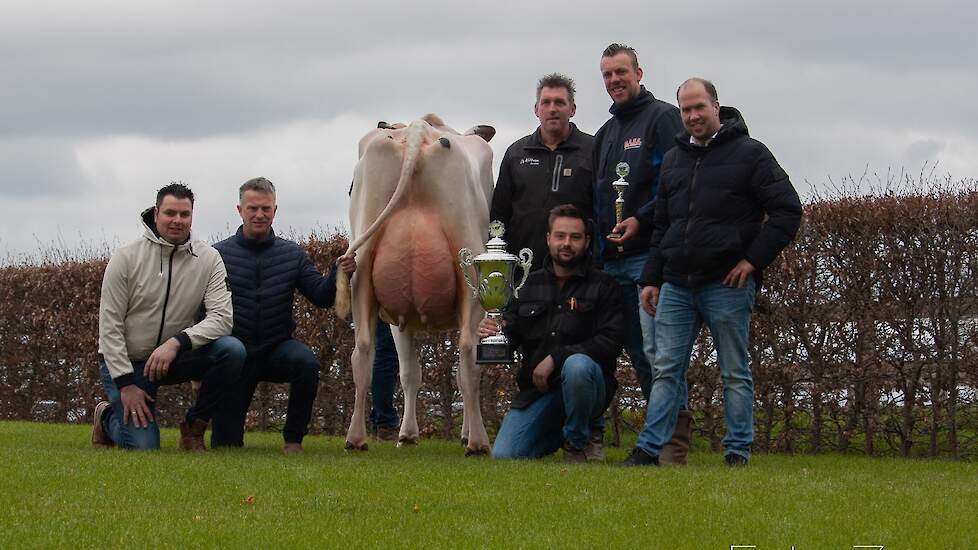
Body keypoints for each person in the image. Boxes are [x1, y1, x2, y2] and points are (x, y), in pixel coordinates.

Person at [622, 78, 802, 467]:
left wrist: (752, 260)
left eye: (699, 107)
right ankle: (649, 450)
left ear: (716, 106)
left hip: (727, 283)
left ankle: (737, 451)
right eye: (685, 110)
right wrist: (652, 278)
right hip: (676, 284)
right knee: (666, 369)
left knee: (733, 371)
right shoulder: (674, 159)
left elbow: (788, 210)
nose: (692, 116)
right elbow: (663, 227)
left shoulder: (751, 154)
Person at [592, 42, 692, 463]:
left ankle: (672, 443)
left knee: (657, 353)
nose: (615, 81)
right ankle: (651, 436)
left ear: (639, 73)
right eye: (608, 75)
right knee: (633, 350)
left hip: (648, 257)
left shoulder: (664, 117)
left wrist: (642, 220)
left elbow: (681, 181)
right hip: (610, 261)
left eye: (621, 72)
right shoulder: (606, 132)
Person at [92, 183, 245, 451]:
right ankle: (106, 418)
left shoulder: (209, 259)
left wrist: (176, 343)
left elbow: (222, 318)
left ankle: (194, 428)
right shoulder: (125, 258)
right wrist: (125, 385)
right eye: (170, 213)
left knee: (232, 350)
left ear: (192, 217)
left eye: (184, 214)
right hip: (130, 363)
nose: (177, 220)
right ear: (155, 214)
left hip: (174, 358)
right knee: (143, 447)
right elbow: (109, 327)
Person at [209, 177, 356, 453]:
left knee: (306, 363)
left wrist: (339, 272)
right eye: (252, 208)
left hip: (277, 350)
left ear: (275, 210)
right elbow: (202, 311)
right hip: (234, 356)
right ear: (239, 210)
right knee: (225, 446)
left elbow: (321, 296)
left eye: (266, 208)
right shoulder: (217, 255)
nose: (259, 214)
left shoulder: (292, 255)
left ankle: (293, 440)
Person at [486, 204, 624, 463]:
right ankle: (561, 433)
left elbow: (610, 342)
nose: (567, 243)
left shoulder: (605, 286)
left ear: (587, 241)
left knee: (577, 367)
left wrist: (556, 358)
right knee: (505, 456)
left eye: (575, 237)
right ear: (548, 239)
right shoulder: (527, 285)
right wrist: (494, 332)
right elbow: (512, 335)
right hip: (538, 393)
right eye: (560, 236)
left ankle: (576, 444)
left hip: (589, 388)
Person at [491, 73, 593, 271]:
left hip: (579, 271)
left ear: (572, 109)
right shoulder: (516, 153)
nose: (552, 109)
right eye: (546, 103)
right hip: (524, 270)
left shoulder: (593, 150)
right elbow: (499, 212)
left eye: (559, 102)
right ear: (536, 109)